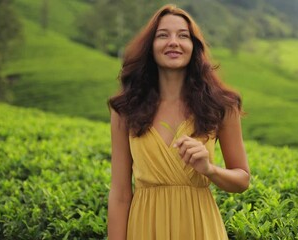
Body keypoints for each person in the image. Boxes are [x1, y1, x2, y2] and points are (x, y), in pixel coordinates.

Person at [107, 4, 250, 240]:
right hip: (145, 228)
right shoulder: (126, 109)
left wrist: (210, 170)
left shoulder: (221, 105)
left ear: (194, 47)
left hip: (201, 228)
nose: (173, 42)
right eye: (163, 35)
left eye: (183, 36)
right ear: (150, 47)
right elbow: (120, 193)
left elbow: (242, 179)